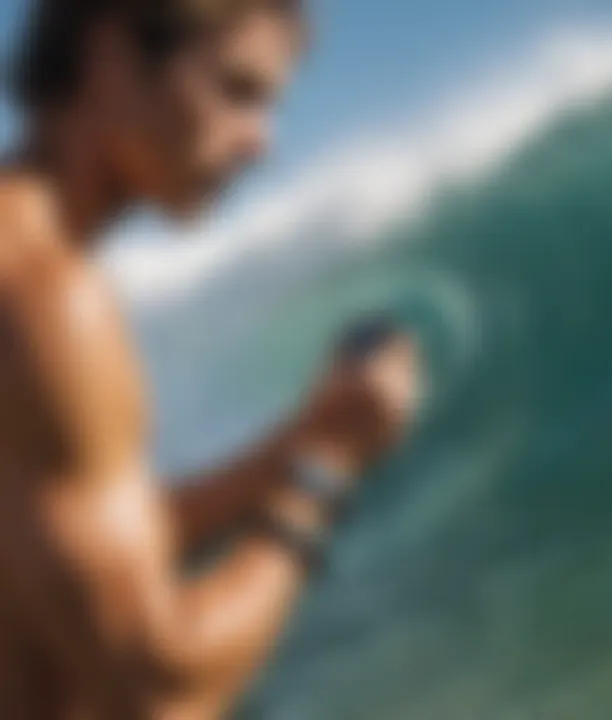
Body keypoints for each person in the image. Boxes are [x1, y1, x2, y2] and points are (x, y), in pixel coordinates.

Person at [0, 1, 421, 718]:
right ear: (111, 57)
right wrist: (326, 468)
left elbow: (57, 551)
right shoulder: (47, 299)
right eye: (237, 91)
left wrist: (291, 448)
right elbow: (159, 690)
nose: (263, 145)